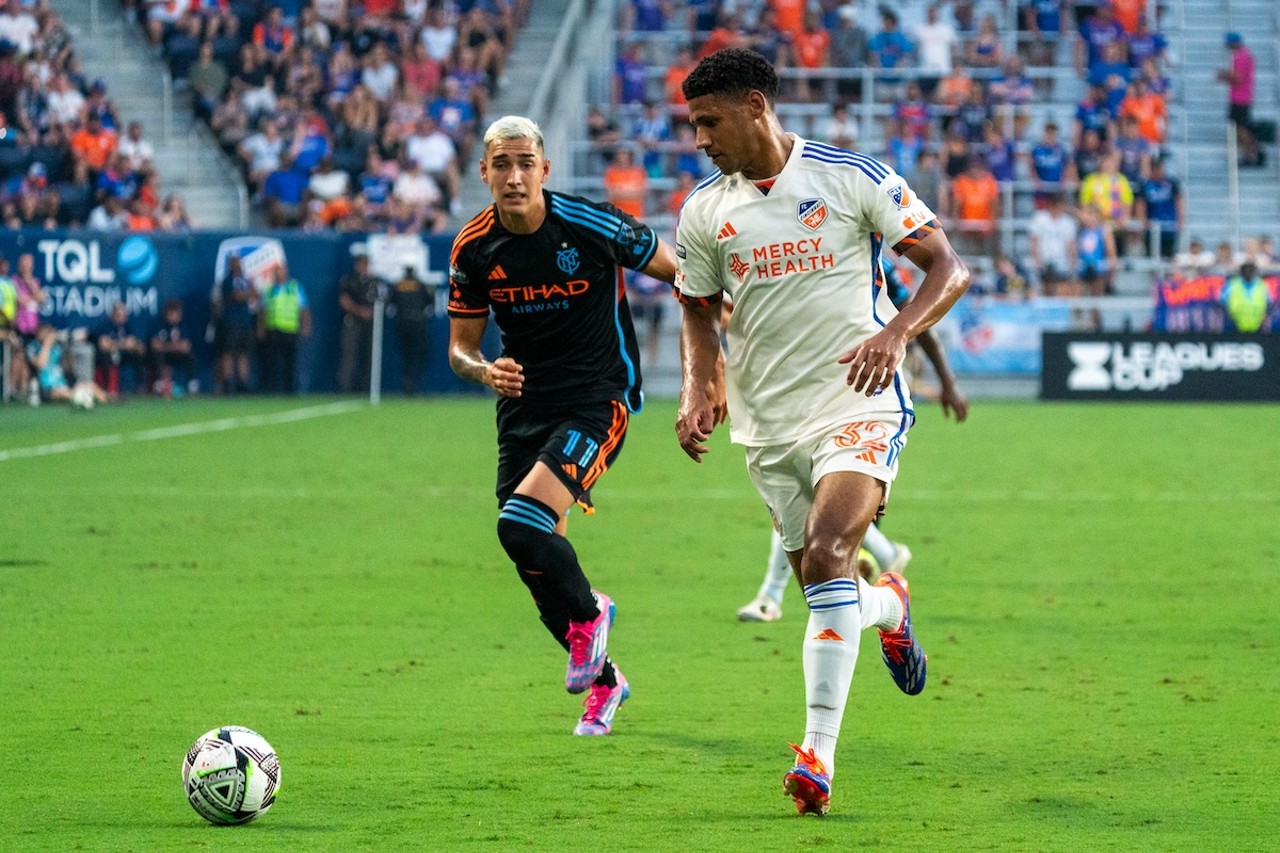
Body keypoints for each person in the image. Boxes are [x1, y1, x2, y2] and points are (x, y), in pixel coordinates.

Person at [673, 49, 969, 816]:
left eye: (710, 122)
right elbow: (697, 307)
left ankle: (816, 755)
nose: (700, 138)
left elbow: (946, 266)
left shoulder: (850, 177)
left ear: (755, 106)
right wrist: (699, 385)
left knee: (834, 549)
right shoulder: (705, 209)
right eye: (693, 125)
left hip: (858, 399)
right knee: (827, 589)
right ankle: (889, 609)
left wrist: (897, 334)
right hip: (768, 422)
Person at [447, 115, 688, 739]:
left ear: (544, 170)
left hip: (596, 398)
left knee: (519, 523)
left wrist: (710, 369)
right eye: (501, 164)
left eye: (525, 163)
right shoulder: (473, 247)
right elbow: (460, 348)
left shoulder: (592, 224)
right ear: (485, 173)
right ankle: (605, 682)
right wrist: (482, 372)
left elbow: (685, 274)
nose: (514, 176)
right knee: (530, 555)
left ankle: (593, 612)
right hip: (523, 407)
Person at [736, 257, 970, 623]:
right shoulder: (798, 247)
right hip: (803, 391)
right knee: (800, 498)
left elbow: (916, 310)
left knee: (812, 504)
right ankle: (884, 556)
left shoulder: (873, 258)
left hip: (858, 397)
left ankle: (772, 594)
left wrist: (947, 381)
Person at [259, 264, 311, 393]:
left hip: (290, 329)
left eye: (281, 271)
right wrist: (260, 328)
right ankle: (272, 389)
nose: (279, 274)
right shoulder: (269, 289)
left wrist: (306, 325)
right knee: (272, 361)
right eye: (277, 272)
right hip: (273, 329)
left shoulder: (295, 287)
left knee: (290, 361)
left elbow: (304, 308)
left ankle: (290, 389)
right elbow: (263, 310)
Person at [211, 254, 259, 394]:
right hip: (230, 321)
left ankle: (242, 383)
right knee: (227, 353)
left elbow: (255, 294)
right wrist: (248, 294)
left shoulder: (246, 280)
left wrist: (247, 294)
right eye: (235, 263)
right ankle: (227, 383)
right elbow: (235, 296)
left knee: (243, 353)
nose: (238, 265)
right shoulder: (227, 281)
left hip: (245, 321)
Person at [337, 252, 380, 393]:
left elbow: (381, 300)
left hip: (370, 324)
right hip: (352, 321)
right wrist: (359, 311)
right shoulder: (349, 280)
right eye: (361, 263)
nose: (364, 267)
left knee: (370, 356)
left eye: (366, 264)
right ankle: (345, 388)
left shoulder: (374, 281)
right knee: (348, 355)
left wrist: (372, 312)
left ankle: (367, 388)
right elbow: (344, 300)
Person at [1216, 33, 1260, 167]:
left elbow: (1238, 78)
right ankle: (1253, 152)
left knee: (1239, 128)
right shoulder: (1246, 55)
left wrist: (1223, 76)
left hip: (1240, 98)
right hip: (1244, 96)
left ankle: (1250, 154)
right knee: (1241, 127)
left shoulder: (1240, 57)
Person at [390, 265, 433, 395]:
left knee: (405, 354)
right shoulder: (420, 284)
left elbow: (392, 303)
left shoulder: (398, 285)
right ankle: (412, 382)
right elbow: (429, 302)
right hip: (418, 324)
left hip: (402, 323)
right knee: (418, 354)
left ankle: (407, 380)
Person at [95, 300, 147, 398]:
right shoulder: (105, 326)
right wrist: (122, 343)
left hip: (126, 354)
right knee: (107, 356)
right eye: (119, 315)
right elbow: (104, 346)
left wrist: (114, 343)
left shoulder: (129, 325)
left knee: (140, 353)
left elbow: (134, 343)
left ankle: (140, 387)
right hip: (109, 354)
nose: (122, 317)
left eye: (124, 314)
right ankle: (108, 389)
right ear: (113, 315)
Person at [149, 298, 198, 397]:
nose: (178, 316)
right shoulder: (158, 323)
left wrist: (166, 345)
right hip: (163, 355)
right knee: (158, 355)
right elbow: (155, 345)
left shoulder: (182, 324)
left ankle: (192, 385)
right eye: (176, 313)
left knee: (189, 356)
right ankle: (160, 384)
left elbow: (186, 345)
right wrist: (174, 346)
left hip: (175, 355)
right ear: (168, 313)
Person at [1220, 261, 1271, 333]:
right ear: (1241, 272)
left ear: (1255, 272)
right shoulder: (1232, 284)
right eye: (1246, 270)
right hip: (1234, 324)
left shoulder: (1261, 284)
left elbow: (1269, 302)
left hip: (1258, 324)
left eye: (1251, 270)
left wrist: (1264, 316)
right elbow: (1222, 301)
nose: (1248, 272)